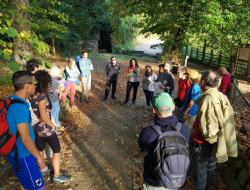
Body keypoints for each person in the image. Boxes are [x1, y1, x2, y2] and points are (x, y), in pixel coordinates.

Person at [191, 70, 238, 190]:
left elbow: (209, 128)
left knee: (201, 171)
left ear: (202, 82)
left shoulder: (209, 99)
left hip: (205, 142)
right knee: (210, 167)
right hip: (216, 140)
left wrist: (211, 142)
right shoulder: (220, 95)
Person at [138, 92, 190, 190]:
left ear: (154, 110)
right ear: (173, 107)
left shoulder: (148, 132)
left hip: (154, 181)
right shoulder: (184, 129)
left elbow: (143, 148)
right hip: (176, 180)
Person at [29, 70, 71, 184]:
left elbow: (37, 110)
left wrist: (48, 109)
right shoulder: (41, 96)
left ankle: (43, 170)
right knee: (57, 150)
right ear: (45, 82)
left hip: (37, 128)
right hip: (46, 127)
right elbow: (43, 116)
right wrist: (53, 126)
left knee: (40, 148)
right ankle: (57, 176)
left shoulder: (31, 94)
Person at [7, 70, 47, 190]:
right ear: (27, 86)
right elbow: (25, 139)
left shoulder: (12, 100)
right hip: (23, 156)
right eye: (34, 83)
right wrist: (39, 158)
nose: (36, 85)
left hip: (18, 152)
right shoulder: (20, 108)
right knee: (40, 188)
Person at [48, 63, 64, 129]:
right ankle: (53, 127)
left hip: (55, 98)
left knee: (58, 110)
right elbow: (50, 91)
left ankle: (57, 124)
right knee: (53, 113)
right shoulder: (50, 79)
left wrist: (62, 82)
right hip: (52, 99)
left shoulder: (54, 78)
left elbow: (57, 85)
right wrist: (59, 89)